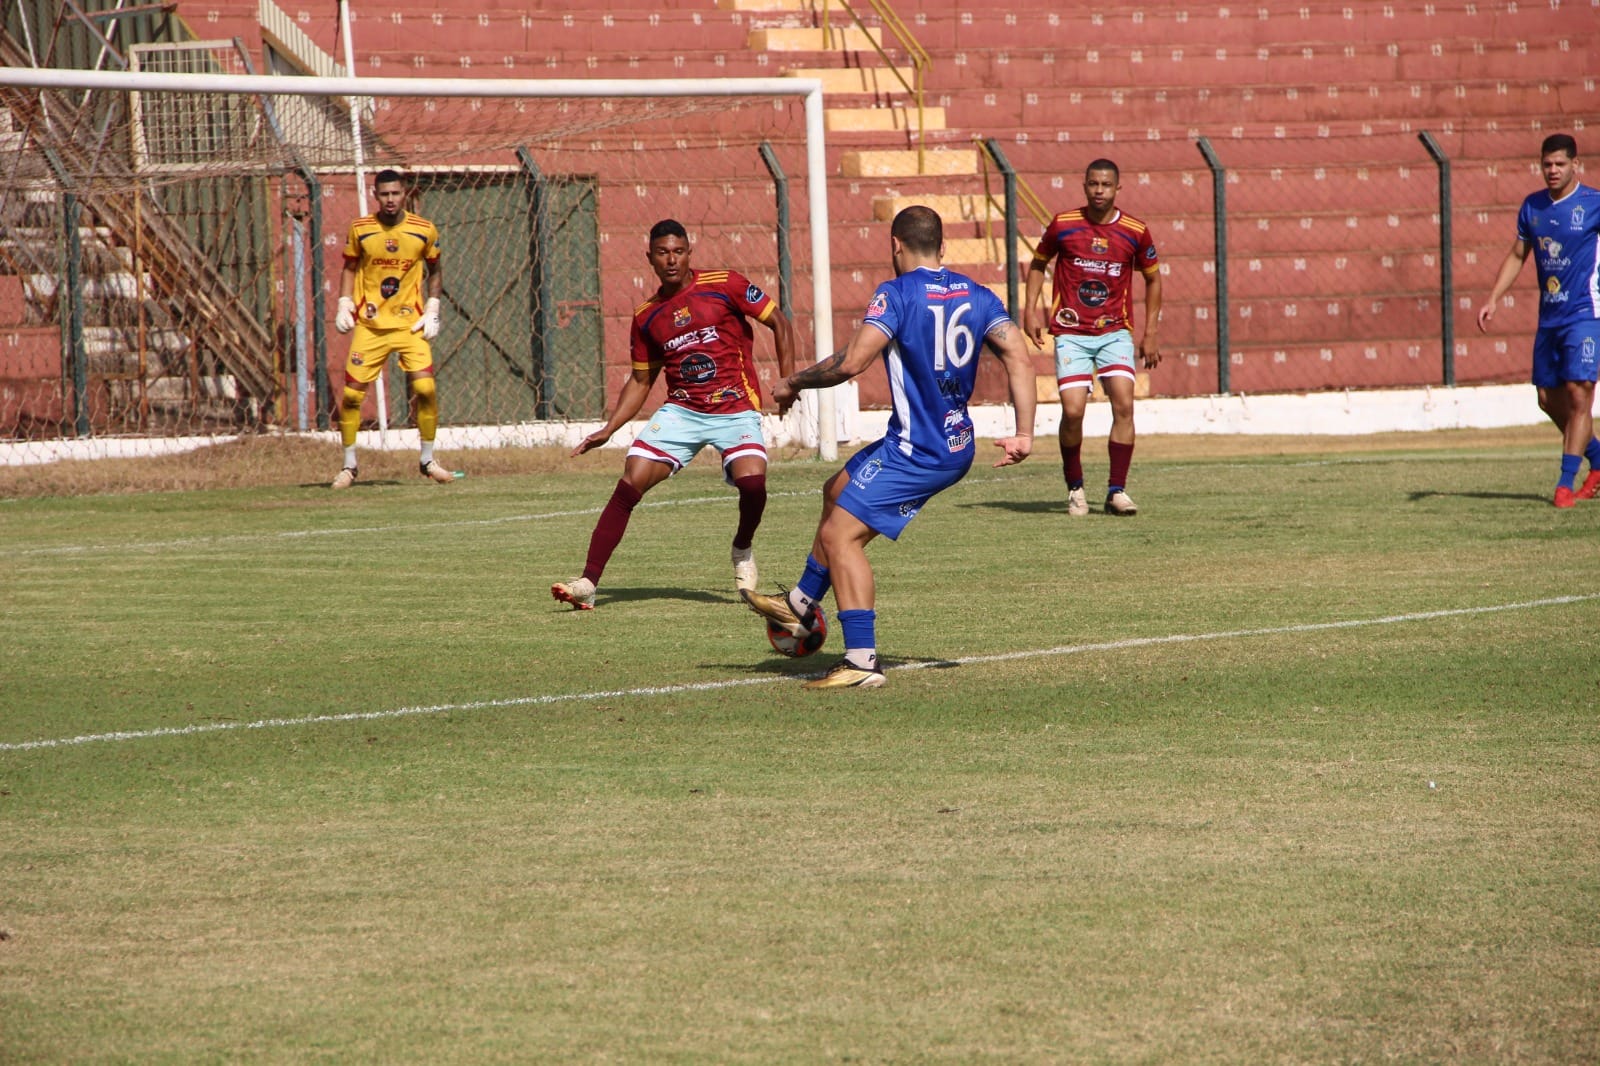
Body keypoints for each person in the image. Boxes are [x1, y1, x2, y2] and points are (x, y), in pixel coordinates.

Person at [741, 206, 1037, 689]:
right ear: (942, 248)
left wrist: (793, 381)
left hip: (920, 450)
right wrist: (1024, 433)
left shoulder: (896, 294)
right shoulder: (978, 295)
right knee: (835, 489)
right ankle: (798, 607)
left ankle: (861, 661)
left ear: (894, 246)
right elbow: (1020, 358)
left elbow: (853, 362)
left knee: (841, 537)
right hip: (945, 440)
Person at [550, 219, 796, 609]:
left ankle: (742, 547)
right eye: (663, 253)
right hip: (683, 411)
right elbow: (640, 381)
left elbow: (779, 322)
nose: (671, 259)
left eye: (678, 251)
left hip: (734, 407)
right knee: (631, 480)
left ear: (689, 252)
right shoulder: (647, 316)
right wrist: (610, 428)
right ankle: (588, 583)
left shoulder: (725, 284)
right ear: (649, 257)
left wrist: (788, 381)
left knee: (753, 485)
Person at [1023, 158, 1162, 516]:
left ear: (1118, 188)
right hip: (1070, 331)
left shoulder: (1135, 230)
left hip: (1114, 330)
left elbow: (1153, 279)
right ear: (1084, 186)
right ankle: (1075, 487)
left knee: (1124, 405)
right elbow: (1038, 264)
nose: (1099, 191)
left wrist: (1151, 332)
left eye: (1106, 185)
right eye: (1093, 184)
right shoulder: (1064, 224)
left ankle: (1117, 491)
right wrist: (1030, 309)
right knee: (1072, 410)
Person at [1476, 132, 1600, 508]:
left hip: (1586, 314)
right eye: (1547, 164)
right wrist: (1493, 299)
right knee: (1547, 398)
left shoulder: (1594, 203)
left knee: (1580, 392)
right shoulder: (1532, 207)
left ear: (1575, 165)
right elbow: (1517, 255)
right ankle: (1597, 460)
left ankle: (1565, 485)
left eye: (1560, 164)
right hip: (1550, 317)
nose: (1553, 170)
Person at [330, 169, 455, 488]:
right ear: (375, 195)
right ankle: (349, 466)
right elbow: (349, 266)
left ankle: (428, 460)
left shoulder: (423, 229)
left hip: (408, 325)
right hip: (370, 326)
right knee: (351, 397)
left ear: (405, 194)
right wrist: (344, 302)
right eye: (384, 194)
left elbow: (435, 269)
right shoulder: (361, 229)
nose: (390, 200)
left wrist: (433, 307)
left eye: (395, 193)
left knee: (426, 390)